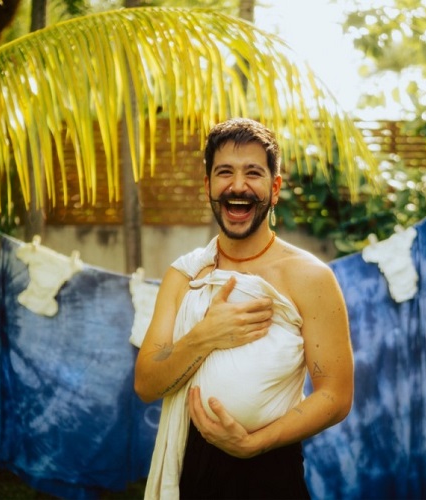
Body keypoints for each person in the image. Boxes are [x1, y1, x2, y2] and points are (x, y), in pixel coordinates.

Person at [135, 118, 354, 499]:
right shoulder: (185, 276)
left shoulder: (310, 277)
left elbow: (335, 396)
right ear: (208, 185)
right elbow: (146, 385)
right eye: (225, 173)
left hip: (272, 471)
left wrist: (254, 444)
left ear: (275, 188)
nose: (238, 186)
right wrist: (205, 336)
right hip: (193, 468)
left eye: (253, 173)